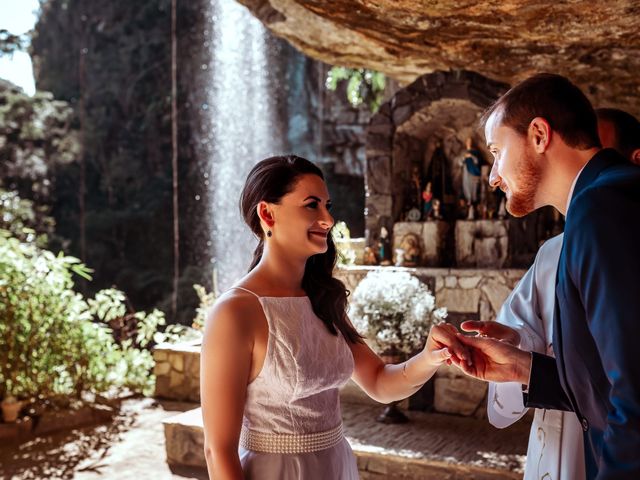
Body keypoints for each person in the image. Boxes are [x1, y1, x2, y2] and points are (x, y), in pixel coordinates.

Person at [200, 155, 469, 480]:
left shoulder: (323, 300)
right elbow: (218, 450)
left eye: (328, 205)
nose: (328, 219)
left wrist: (431, 357)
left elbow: (381, 382)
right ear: (267, 214)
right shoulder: (236, 312)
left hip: (336, 465)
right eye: (312, 205)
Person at [447, 74, 640, 479]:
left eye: (498, 151)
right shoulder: (607, 199)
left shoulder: (602, 207)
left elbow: (635, 394)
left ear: (538, 134)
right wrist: (523, 369)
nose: (494, 175)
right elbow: (607, 383)